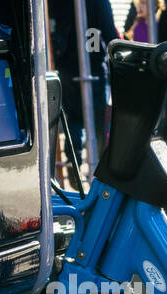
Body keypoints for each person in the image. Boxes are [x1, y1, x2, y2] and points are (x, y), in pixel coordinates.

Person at [49, 0, 119, 175]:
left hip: (66, 65)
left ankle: (74, 160)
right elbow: (109, 31)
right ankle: (100, 167)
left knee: (73, 119)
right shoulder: (98, 2)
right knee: (98, 121)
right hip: (93, 64)